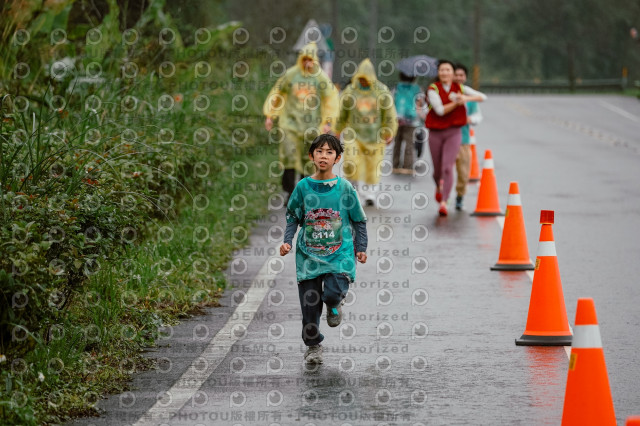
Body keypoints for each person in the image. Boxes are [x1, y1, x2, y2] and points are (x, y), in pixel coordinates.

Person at [280, 134, 368, 364]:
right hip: (308, 256)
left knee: (330, 293)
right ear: (311, 156)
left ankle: (335, 303)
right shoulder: (302, 187)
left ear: (337, 158)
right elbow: (292, 216)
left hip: (340, 254)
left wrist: (361, 247)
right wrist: (288, 240)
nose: (324, 156)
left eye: (329, 152)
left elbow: (359, 219)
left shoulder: (345, 188)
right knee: (309, 306)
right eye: (319, 151)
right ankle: (313, 346)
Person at [263, 42, 339, 204]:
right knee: (289, 156)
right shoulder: (291, 75)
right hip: (289, 124)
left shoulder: (320, 78)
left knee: (309, 159)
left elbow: (331, 99)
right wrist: (270, 115)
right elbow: (277, 94)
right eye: (304, 59)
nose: (307, 63)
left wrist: (328, 122)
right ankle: (289, 192)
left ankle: (305, 193)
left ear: (315, 60)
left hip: (312, 126)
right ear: (300, 59)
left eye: (310, 60)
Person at [425, 59, 486, 216]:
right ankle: (438, 187)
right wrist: (456, 102)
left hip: (454, 132)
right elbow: (439, 111)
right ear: (439, 73)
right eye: (442, 70)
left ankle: (444, 202)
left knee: (447, 167)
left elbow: (482, 97)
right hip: (436, 132)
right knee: (437, 171)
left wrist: (465, 98)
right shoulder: (433, 89)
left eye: (448, 70)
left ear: (453, 74)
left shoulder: (460, 88)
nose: (445, 73)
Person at [336, 58, 398, 206]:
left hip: (375, 136)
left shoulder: (381, 90)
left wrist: (389, 131)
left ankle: (370, 194)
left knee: (373, 166)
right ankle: (352, 190)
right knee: (351, 162)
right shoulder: (350, 91)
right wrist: (337, 129)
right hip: (354, 135)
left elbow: (389, 113)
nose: (363, 81)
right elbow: (342, 112)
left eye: (366, 78)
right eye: (361, 78)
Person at [453, 63, 486, 210]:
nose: (459, 78)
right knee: (445, 171)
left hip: (464, 139)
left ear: (465, 77)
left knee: (463, 172)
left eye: (462, 75)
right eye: (456, 75)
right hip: (447, 138)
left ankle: (460, 196)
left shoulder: (469, 97)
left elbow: (478, 114)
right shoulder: (446, 93)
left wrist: (469, 119)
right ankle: (443, 197)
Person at [392, 72, 422, 174]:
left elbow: (392, 100)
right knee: (409, 143)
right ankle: (407, 167)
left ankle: (395, 165)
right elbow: (419, 103)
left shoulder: (397, 87)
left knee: (397, 143)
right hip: (412, 120)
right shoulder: (417, 88)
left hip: (397, 119)